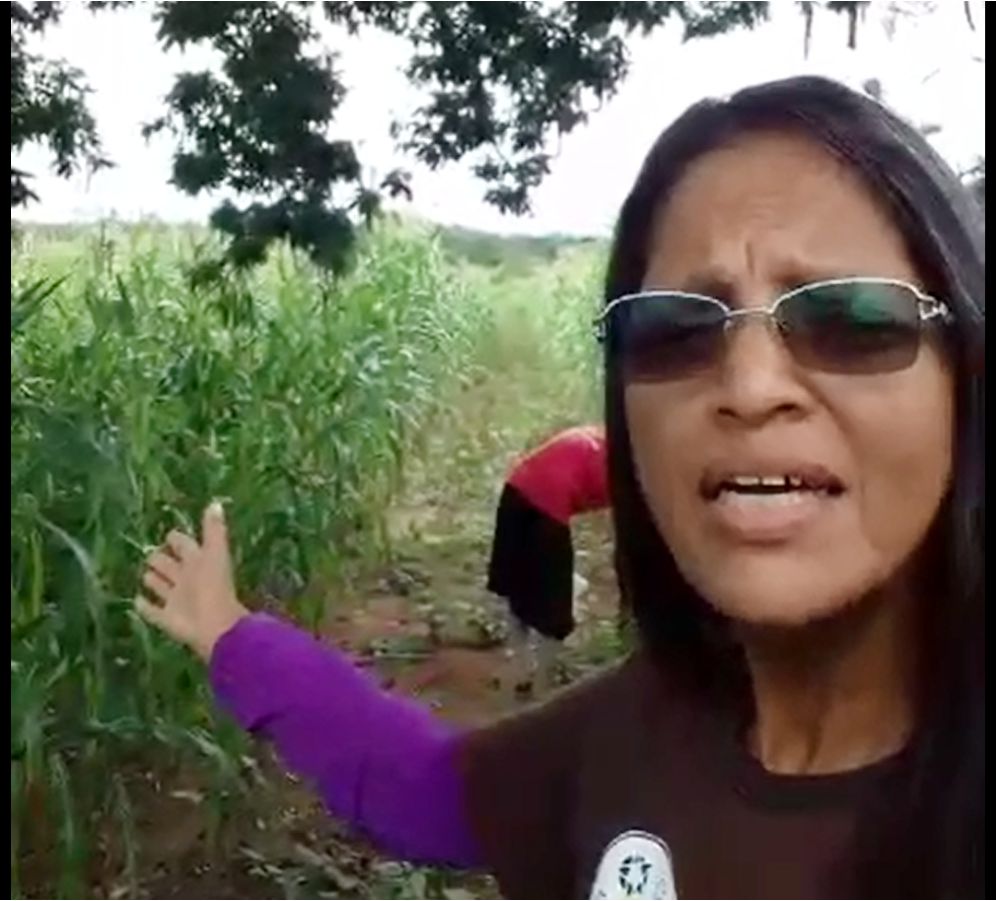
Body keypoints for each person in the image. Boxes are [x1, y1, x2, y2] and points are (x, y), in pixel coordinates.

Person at [137, 76, 984, 899]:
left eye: (849, 319)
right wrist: (233, 635)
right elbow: (426, 787)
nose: (752, 385)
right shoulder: (630, 733)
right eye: (674, 328)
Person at [486, 424, 608, 693]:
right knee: (554, 605)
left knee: (517, 586)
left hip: (515, 491)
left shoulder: (598, 438)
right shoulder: (635, 466)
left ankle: (521, 669)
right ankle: (544, 684)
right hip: (546, 507)